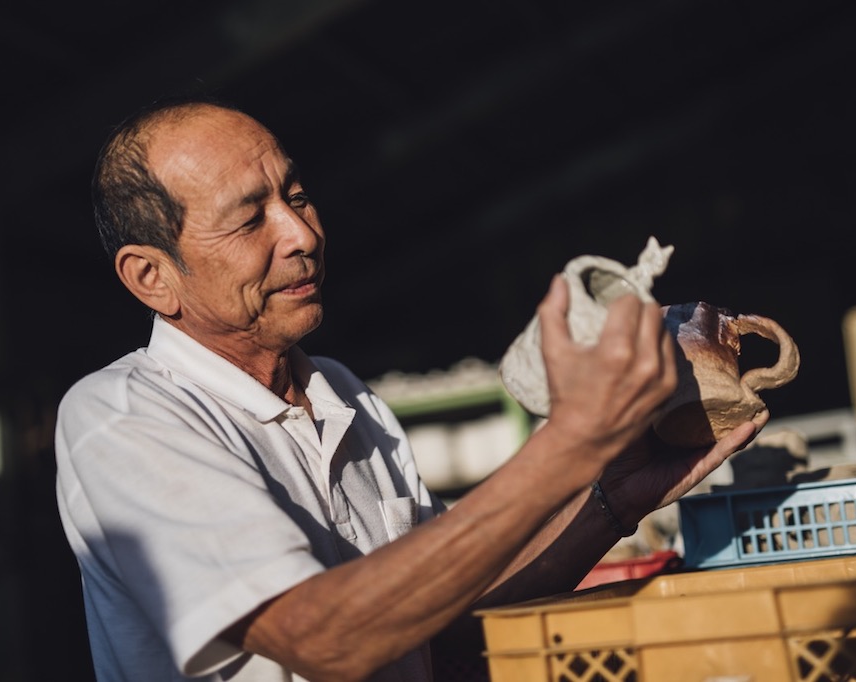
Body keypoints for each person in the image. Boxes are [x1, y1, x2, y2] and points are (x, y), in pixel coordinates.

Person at [54, 93, 761, 682]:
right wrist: (569, 446)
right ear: (153, 277)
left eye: (297, 197)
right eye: (249, 220)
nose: (301, 233)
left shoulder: (341, 394)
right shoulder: (122, 419)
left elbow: (440, 627)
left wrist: (611, 495)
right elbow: (324, 638)